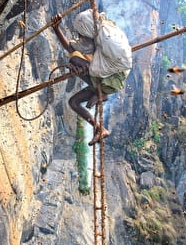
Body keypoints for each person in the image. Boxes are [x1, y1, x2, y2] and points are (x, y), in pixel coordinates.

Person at [51, 9, 131, 145]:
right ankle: (100, 128)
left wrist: (57, 29)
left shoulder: (104, 37)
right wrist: (56, 28)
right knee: (73, 102)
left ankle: (101, 93)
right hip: (110, 79)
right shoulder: (105, 30)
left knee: (75, 60)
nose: (80, 36)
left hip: (109, 81)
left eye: (82, 33)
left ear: (87, 29)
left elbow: (71, 48)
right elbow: (75, 47)